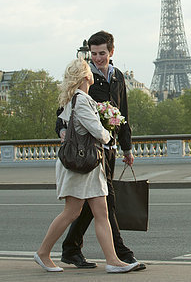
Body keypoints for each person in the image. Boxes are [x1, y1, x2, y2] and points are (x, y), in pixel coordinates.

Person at [34, 59, 139, 273]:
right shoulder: (81, 100)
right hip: (81, 165)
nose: (92, 73)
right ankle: (43, 253)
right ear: (85, 77)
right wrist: (110, 135)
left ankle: (112, 260)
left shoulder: (72, 99)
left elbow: (65, 127)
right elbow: (97, 131)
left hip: (86, 165)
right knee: (72, 212)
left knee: (100, 212)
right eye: (88, 71)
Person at [55, 30, 145, 270]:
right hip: (91, 149)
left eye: (102, 53)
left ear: (111, 52)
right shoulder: (86, 79)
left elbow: (122, 113)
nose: (97, 58)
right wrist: (60, 130)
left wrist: (127, 148)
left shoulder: (118, 77)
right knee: (106, 200)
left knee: (93, 202)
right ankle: (120, 253)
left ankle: (71, 248)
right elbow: (64, 109)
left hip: (110, 147)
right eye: (93, 54)